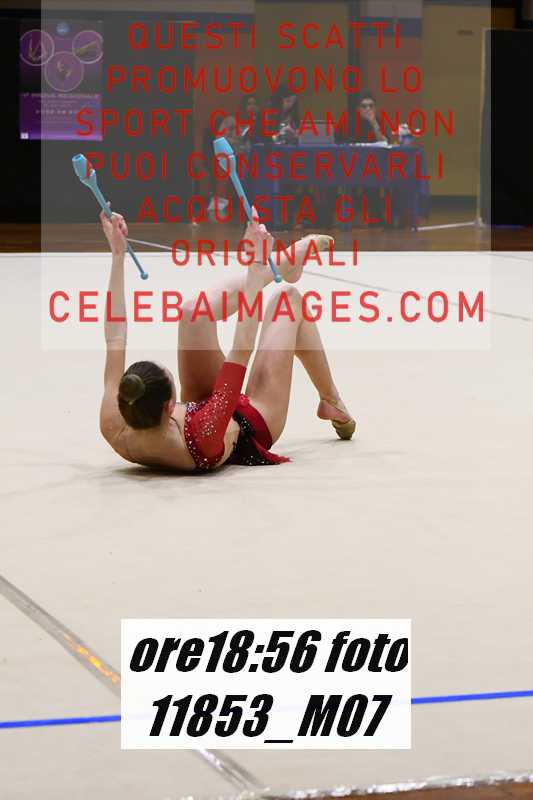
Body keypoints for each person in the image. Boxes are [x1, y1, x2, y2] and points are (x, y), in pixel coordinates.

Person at [99, 208, 356, 472]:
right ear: (169, 407)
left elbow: (115, 338)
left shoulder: (114, 423)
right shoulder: (205, 433)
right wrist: (256, 263)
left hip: (205, 408)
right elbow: (242, 346)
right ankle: (331, 399)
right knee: (288, 300)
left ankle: (283, 263)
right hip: (250, 425)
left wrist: (117, 255)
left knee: (193, 312)